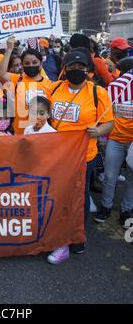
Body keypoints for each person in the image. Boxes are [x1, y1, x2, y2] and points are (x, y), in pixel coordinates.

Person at [47, 51, 114, 264]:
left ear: (88, 70)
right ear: (64, 69)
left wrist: (99, 131)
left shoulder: (98, 92)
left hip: (84, 155)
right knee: (58, 193)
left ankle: (77, 237)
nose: (76, 70)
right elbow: (40, 112)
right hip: (56, 154)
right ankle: (56, 231)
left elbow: (109, 123)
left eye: (80, 67)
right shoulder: (55, 88)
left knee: (79, 196)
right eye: (71, 66)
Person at [94, 57, 133, 228]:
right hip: (116, 140)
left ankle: (127, 210)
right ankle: (106, 206)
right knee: (110, 176)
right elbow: (104, 113)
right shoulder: (116, 89)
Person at [0, 38, 53, 135]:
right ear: (22, 66)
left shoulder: (50, 84)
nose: (31, 65)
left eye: (35, 62)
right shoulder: (17, 79)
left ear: (41, 64)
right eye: (27, 63)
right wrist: (9, 50)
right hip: (20, 133)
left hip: (42, 134)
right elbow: (1, 73)